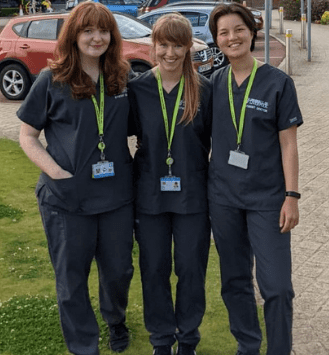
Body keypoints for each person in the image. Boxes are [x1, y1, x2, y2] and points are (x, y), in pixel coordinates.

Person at [16, 2, 134, 354]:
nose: (96, 38)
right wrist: (58, 173)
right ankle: (84, 346)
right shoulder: (51, 80)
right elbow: (27, 136)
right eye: (88, 31)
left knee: (118, 272)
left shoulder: (122, 78)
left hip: (115, 198)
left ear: (112, 36)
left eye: (103, 31)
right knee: (71, 279)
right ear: (74, 35)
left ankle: (115, 319)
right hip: (66, 199)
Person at [207, 3, 302, 355]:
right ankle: (247, 346)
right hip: (223, 199)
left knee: (277, 286)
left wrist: (292, 195)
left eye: (238, 29)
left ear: (251, 31)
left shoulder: (278, 83)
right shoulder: (213, 84)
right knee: (234, 282)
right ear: (216, 40)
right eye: (223, 33)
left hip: (268, 200)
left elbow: (288, 144)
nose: (231, 37)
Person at [127, 13, 212, 355]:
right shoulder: (138, 88)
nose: (171, 53)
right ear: (154, 46)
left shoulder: (204, 89)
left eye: (178, 45)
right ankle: (161, 339)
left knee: (191, 270)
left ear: (189, 47)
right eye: (164, 44)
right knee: (154, 270)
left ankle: (188, 338)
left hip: (193, 196)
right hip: (149, 196)